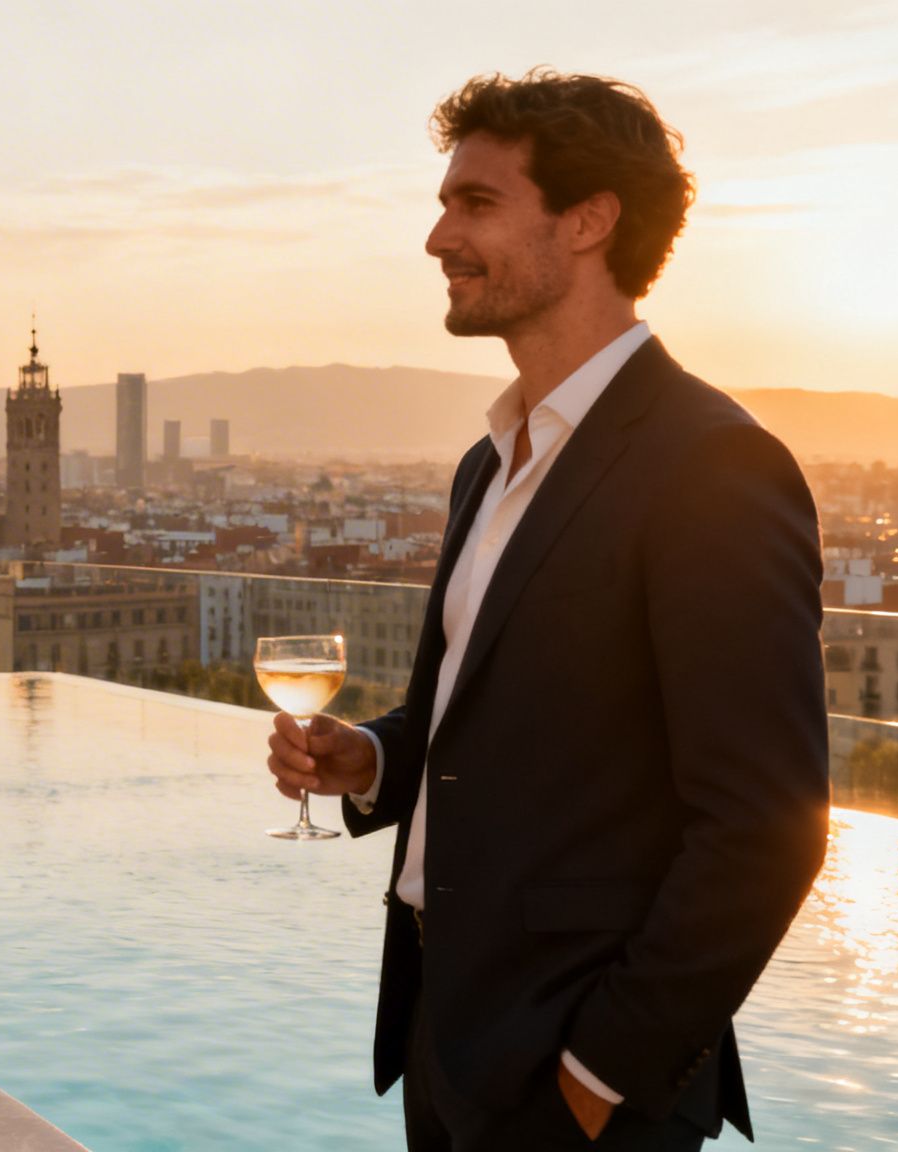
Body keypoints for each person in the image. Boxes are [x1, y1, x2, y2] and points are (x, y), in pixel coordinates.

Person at [265, 71, 829, 1151]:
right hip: (451, 1034)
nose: (436, 237)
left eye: (474, 204)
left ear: (587, 221)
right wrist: (376, 761)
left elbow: (763, 825)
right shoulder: (491, 461)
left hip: (576, 1078)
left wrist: (598, 1072)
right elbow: (487, 727)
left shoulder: (710, 465)